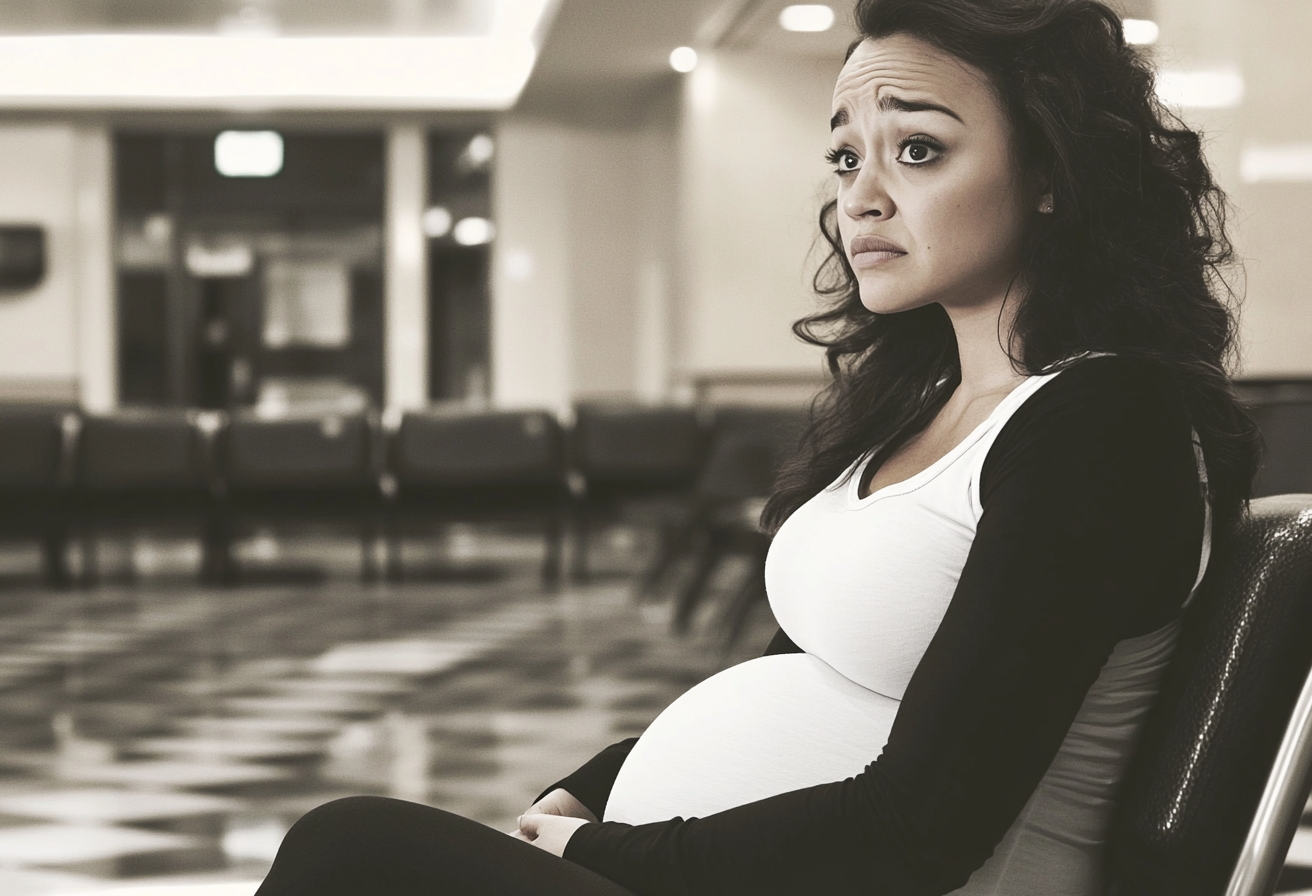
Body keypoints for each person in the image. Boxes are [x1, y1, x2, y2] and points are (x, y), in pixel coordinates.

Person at [252, 0, 1260, 893]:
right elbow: (813, 661)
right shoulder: (931, 402)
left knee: (351, 850)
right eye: (844, 155)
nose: (862, 194)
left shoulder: (1104, 421)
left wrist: (602, 853)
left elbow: (919, 831)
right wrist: (597, 784)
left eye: (916, 150)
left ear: (1049, 171)